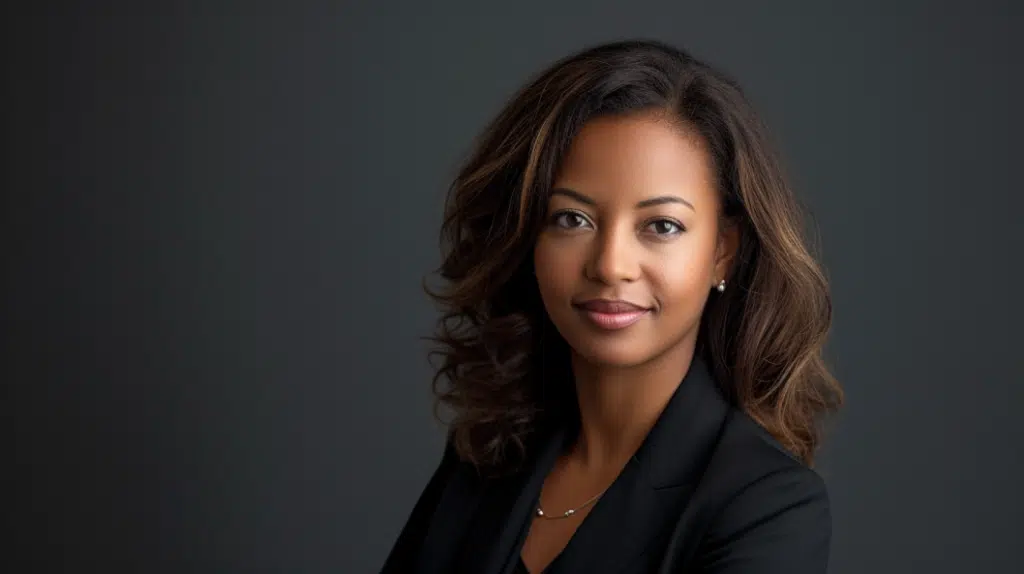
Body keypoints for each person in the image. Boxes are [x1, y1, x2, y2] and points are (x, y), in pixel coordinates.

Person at [381, 39, 843, 574]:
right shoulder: (488, 453)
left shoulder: (767, 507)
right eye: (572, 219)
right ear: (529, 237)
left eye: (661, 226)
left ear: (722, 252)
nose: (610, 265)